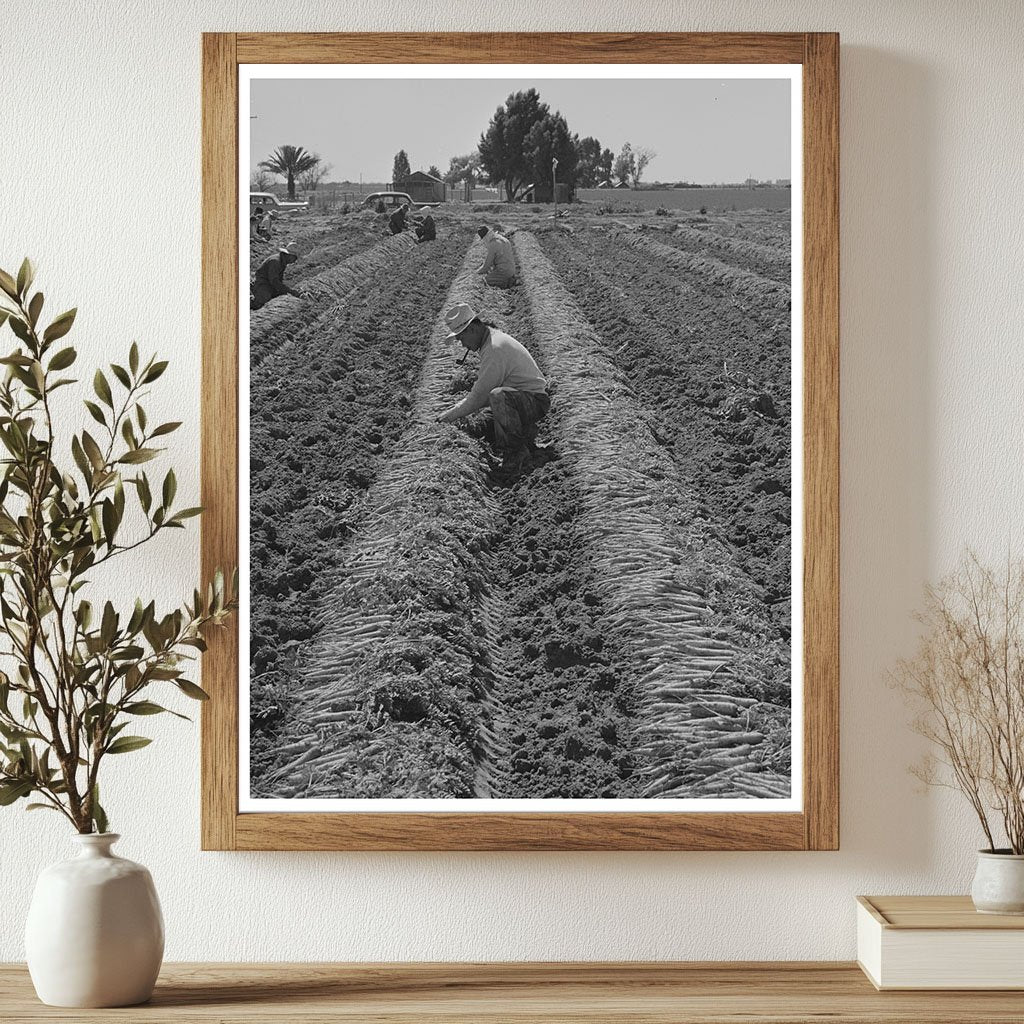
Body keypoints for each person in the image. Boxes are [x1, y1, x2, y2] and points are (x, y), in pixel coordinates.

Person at [436, 303, 551, 474]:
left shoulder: (494, 349)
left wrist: (449, 416)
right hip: (522, 399)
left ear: (472, 330)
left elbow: (480, 396)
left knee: (497, 397)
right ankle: (525, 434)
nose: (463, 345)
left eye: (461, 339)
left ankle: (515, 455)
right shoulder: (491, 340)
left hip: (534, 401)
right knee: (484, 422)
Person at [250, 242, 303, 310]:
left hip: (269, 283)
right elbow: (274, 281)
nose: (294, 261)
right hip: (262, 283)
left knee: (278, 296)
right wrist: (290, 291)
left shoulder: (282, 262)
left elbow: (278, 280)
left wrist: (286, 290)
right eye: (294, 258)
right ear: (289, 256)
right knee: (262, 302)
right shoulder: (275, 262)